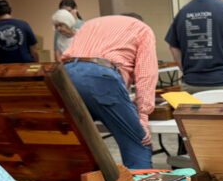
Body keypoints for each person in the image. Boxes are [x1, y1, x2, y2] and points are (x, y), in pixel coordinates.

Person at [63, 14, 157, 169]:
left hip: (65, 74)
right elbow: (146, 73)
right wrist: (143, 115)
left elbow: (67, 56)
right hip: (100, 78)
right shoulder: (142, 29)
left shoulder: (90, 23)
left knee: (78, 141)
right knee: (138, 142)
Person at [0, 0, 38, 64]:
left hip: (6, 69)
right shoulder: (24, 25)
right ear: (10, 10)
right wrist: (37, 66)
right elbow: (34, 51)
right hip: (26, 67)